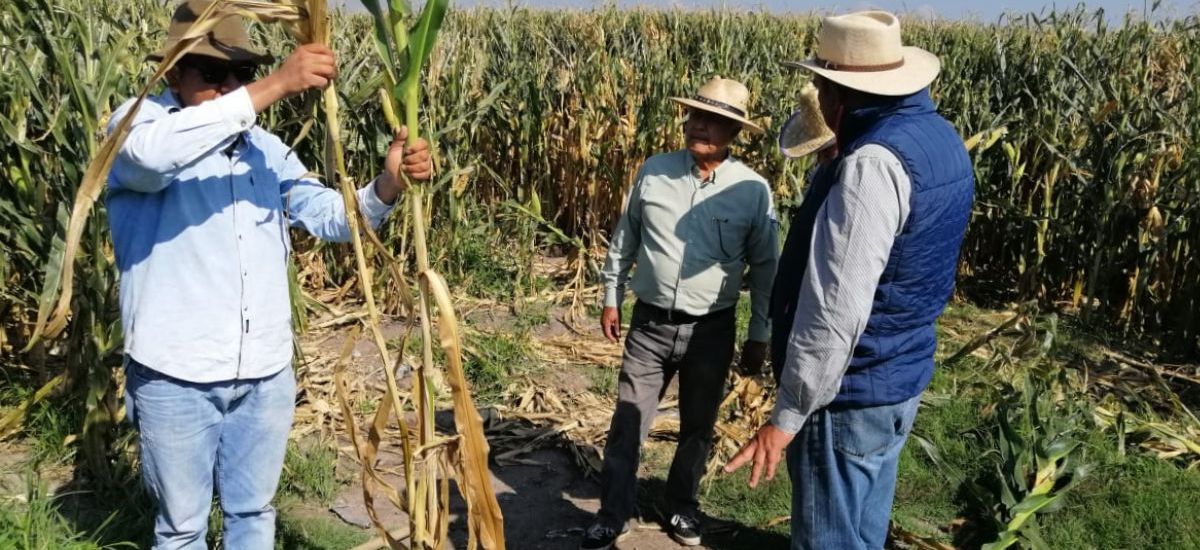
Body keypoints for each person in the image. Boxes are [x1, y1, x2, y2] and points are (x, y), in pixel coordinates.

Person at [107, 1, 432, 547]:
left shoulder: (265, 150)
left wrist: (387, 186)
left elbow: (331, 218)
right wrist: (274, 86)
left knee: (253, 514)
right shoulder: (138, 125)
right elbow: (152, 158)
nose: (229, 86)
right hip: (175, 373)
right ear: (174, 73)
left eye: (240, 74)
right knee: (182, 528)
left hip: (264, 373)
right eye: (212, 74)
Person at [724, 11, 975, 550]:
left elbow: (835, 309)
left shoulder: (873, 164)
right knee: (863, 530)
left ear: (842, 91)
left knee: (828, 540)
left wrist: (788, 413)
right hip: (899, 376)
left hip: (848, 394)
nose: (813, 90)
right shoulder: (938, 137)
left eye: (820, 82)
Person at [582, 77, 779, 550]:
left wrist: (759, 334)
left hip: (710, 330)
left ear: (734, 132)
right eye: (695, 116)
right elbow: (626, 237)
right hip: (649, 324)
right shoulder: (654, 171)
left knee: (697, 427)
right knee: (628, 422)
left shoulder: (752, 190)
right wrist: (611, 294)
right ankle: (613, 514)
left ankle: (681, 509)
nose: (699, 126)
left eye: (714, 121)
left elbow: (766, 267)